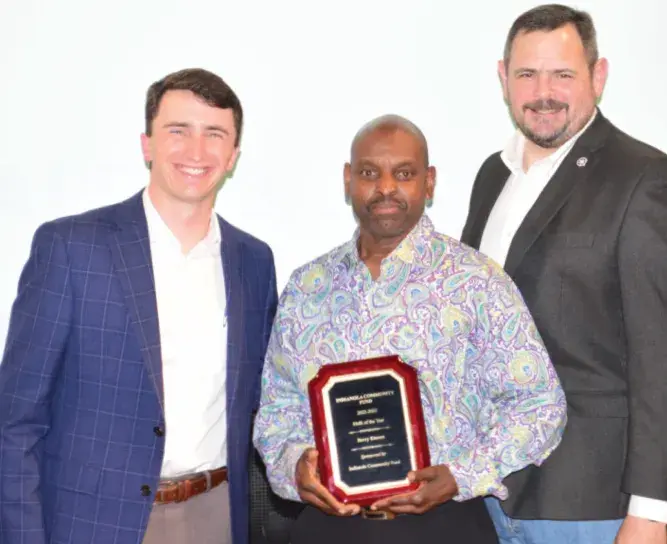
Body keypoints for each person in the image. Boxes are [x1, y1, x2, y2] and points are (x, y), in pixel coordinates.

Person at [253, 114, 567, 544]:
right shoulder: (308, 287)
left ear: (429, 182)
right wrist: (295, 466)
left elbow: (540, 405)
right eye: (369, 173)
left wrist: (460, 475)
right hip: (328, 527)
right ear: (348, 180)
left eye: (404, 174)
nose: (385, 188)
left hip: (445, 526)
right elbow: (277, 411)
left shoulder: (476, 282)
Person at [0, 68, 278, 544]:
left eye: (214, 134)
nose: (196, 151)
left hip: (216, 515)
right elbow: (15, 420)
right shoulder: (71, 248)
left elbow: (259, 402)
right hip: (92, 524)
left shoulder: (254, 262)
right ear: (147, 144)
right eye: (178, 131)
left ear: (233, 155)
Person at [460, 4, 667, 544]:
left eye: (563, 75)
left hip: (593, 505)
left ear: (598, 77)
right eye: (527, 74)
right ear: (503, 78)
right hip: (488, 495)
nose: (543, 92)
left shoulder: (643, 178)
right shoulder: (491, 176)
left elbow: (659, 354)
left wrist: (653, 511)